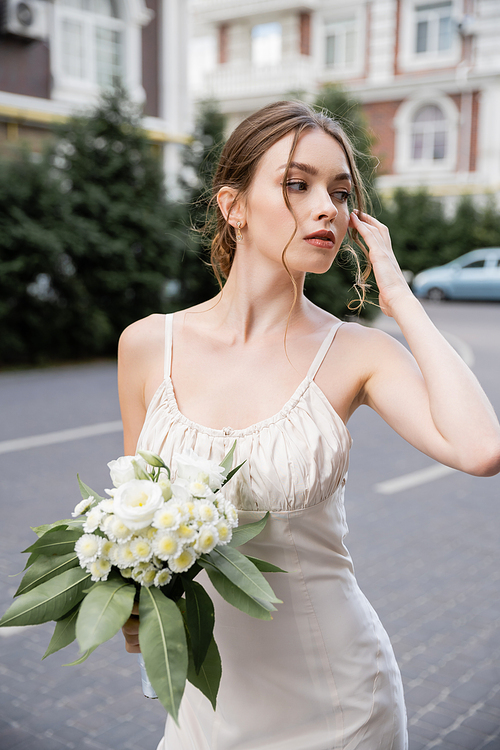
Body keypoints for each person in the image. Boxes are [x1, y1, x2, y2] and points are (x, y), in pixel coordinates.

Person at [118, 100, 500, 750]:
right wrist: (130, 601)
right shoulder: (149, 345)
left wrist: (399, 294)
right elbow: (137, 518)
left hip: (338, 702)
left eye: (341, 192)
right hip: (206, 701)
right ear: (233, 204)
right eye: (299, 184)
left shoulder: (358, 353)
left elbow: (480, 449)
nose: (328, 206)